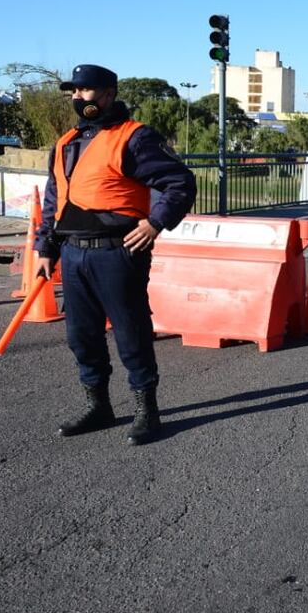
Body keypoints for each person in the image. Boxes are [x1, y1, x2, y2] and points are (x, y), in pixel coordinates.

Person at [35, 64, 196, 446]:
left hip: (117, 252)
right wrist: (46, 247)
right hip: (73, 253)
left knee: (131, 333)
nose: (78, 97)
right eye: (74, 91)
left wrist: (155, 222)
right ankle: (99, 406)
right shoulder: (65, 142)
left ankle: (147, 410)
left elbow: (179, 182)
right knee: (82, 336)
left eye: (86, 91)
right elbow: (54, 200)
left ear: (108, 94)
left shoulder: (134, 137)